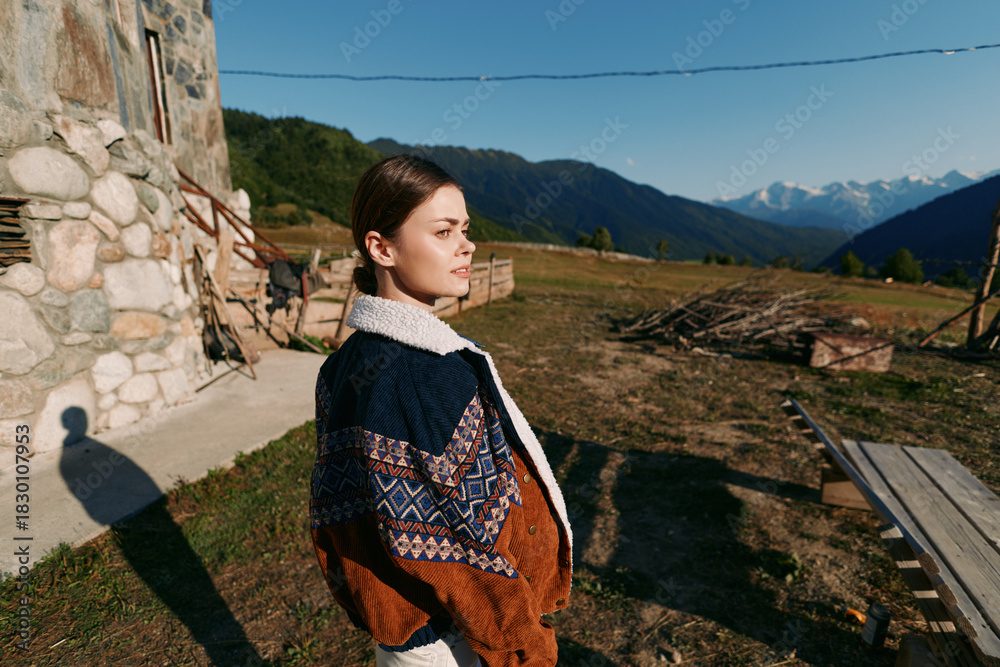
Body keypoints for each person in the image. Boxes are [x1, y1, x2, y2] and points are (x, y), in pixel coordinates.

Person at [310, 154, 573, 666]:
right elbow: (465, 547)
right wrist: (524, 646)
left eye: (466, 229)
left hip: (403, 627)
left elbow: (343, 511)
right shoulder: (425, 376)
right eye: (444, 231)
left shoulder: (343, 364)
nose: (468, 245)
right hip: (455, 638)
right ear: (381, 247)